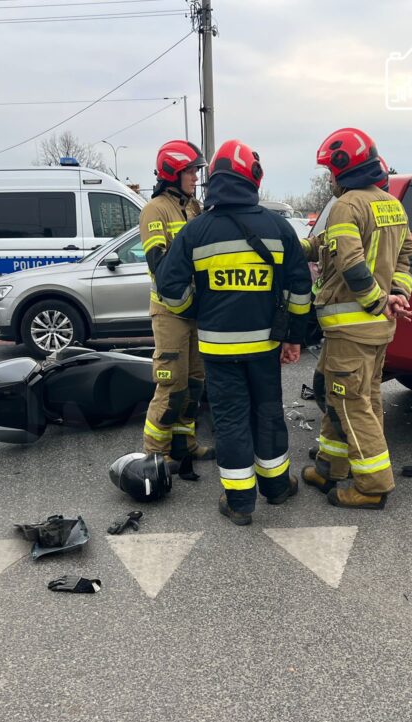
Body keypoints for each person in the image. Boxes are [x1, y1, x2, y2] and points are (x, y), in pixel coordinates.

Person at [155, 139, 312, 526]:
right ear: (253, 179)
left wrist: (196, 308)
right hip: (265, 346)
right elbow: (300, 289)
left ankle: (240, 503)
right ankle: (276, 489)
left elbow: (168, 286)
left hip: (217, 348)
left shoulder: (196, 230)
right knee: (268, 412)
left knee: (231, 419)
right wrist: (294, 336)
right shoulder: (278, 228)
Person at [302, 128, 412, 509]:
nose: (329, 179)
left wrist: (375, 301)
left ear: (342, 168)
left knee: (351, 404)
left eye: (329, 172)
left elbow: (351, 264)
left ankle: (372, 486)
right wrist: (397, 295)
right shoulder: (390, 204)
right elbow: (411, 259)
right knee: (351, 398)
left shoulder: (346, 206)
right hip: (378, 330)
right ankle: (330, 467)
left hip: (351, 328)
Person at [139, 140, 215, 463]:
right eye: (190, 172)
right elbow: (159, 264)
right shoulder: (154, 210)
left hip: (194, 309)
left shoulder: (193, 207)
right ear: (173, 172)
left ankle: (185, 444)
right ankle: (156, 455)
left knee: (195, 383)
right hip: (170, 312)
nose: (195, 178)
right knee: (171, 387)